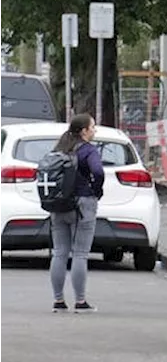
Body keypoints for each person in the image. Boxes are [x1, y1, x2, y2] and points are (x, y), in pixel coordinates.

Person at [48, 114, 104, 313]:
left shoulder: (60, 148)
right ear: (84, 131)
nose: (95, 131)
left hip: (58, 205)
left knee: (60, 252)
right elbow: (97, 172)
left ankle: (58, 301)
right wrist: (96, 190)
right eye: (93, 127)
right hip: (82, 204)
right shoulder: (89, 150)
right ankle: (80, 302)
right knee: (80, 253)